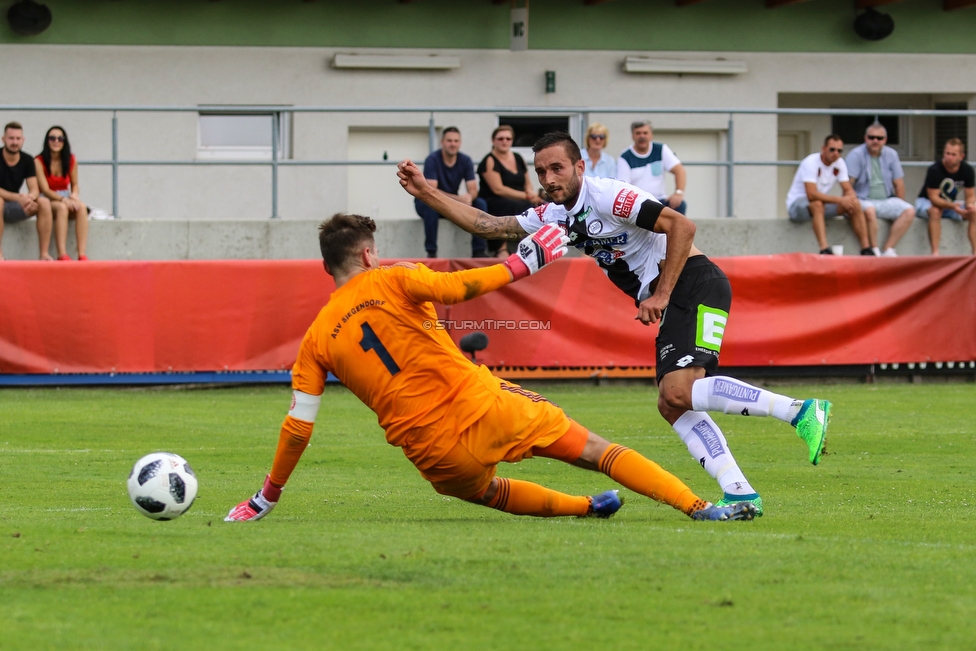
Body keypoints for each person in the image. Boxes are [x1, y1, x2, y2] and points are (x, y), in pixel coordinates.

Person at [399, 132, 834, 517]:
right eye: (541, 171)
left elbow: (681, 225)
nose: (549, 178)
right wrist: (426, 192)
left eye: (557, 168)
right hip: (678, 291)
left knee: (678, 391)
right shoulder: (552, 214)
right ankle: (740, 494)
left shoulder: (608, 195)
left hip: (693, 283)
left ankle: (801, 412)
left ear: (580, 167)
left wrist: (660, 295)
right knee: (672, 404)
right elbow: (487, 223)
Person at [226, 212, 756, 523]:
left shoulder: (316, 339)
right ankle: (699, 507)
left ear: (329, 266)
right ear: (368, 256)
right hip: (483, 405)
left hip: (432, 454)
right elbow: (457, 288)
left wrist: (266, 496)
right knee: (597, 450)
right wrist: (520, 264)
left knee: (487, 491)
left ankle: (584, 509)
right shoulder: (390, 278)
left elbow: (298, 426)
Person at [786, 134, 874, 255]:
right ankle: (824, 249)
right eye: (832, 149)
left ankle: (866, 249)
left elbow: (847, 188)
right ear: (823, 149)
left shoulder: (840, 163)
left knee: (855, 204)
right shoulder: (811, 162)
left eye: (839, 150)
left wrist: (851, 199)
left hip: (819, 207)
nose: (836, 153)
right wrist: (840, 200)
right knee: (817, 204)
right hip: (797, 206)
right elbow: (811, 195)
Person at [415, 127, 488, 258]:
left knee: (480, 203)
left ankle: (479, 251)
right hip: (426, 201)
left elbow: (473, 189)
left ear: (460, 143)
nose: (453, 144)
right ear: (442, 142)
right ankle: (431, 252)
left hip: (450, 203)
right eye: (449, 141)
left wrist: (469, 198)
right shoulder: (432, 159)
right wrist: (459, 199)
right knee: (431, 206)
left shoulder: (465, 160)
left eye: (456, 141)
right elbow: (431, 191)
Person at [845, 122, 915, 257]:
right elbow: (848, 185)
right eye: (871, 137)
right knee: (870, 210)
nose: (875, 141)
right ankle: (874, 249)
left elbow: (899, 184)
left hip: (886, 199)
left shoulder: (892, 154)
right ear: (865, 138)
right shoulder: (856, 155)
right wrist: (852, 204)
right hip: (863, 199)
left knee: (909, 210)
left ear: (885, 140)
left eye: (879, 138)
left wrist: (898, 206)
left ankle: (888, 248)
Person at [477, 125, 542, 257]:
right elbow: (498, 189)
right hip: (495, 199)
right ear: (493, 141)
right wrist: (526, 196)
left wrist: (530, 193)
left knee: (536, 207)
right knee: (511, 205)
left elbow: (527, 182)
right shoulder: (489, 160)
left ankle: (533, 245)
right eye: (500, 138)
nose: (504, 141)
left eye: (508, 138)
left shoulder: (518, 158)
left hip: (520, 198)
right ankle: (502, 248)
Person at [0, 122, 53, 261]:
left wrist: (30, 198)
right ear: (3, 139)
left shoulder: (28, 160)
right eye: (11, 138)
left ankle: (44, 254)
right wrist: (18, 198)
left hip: (15, 206)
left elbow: (34, 188)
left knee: (44, 202)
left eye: (18, 139)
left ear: (23, 140)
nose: (14, 142)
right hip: (2, 203)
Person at [35, 126, 88, 261]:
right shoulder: (39, 161)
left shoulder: (71, 160)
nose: (56, 141)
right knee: (62, 208)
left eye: (60, 138)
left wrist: (74, 195)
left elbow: (75, 184)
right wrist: (63, 199)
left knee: (81, 207)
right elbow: (45, 190)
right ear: (47, 141)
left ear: (65, 142)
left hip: (65, 195)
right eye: (52, 138)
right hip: (47, 198)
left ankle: (81, 254)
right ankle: (62, 253)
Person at [915, 138, 976, 256]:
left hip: (950, 204)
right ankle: (935, 253)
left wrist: (969, 206)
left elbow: (970, 196)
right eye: (947, 153)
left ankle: (974, 253)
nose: (949, 157)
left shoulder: (967, 170)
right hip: (926, 201)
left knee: (974, 213)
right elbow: (934, 199)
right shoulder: (935, 169)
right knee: (935, 211)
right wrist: (954, 207)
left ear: (961, 156)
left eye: (953, 154)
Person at [616, 120, 686, 215]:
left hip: (660, 200)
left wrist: (678, 193)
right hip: (638, 203)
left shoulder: (661, 149)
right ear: (632, 136)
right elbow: (624, 187)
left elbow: (680, 171)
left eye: (645, 133)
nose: (642, 136)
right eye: (638, 133)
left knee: (680, 204)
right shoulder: (625, 157)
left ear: (651, 135)